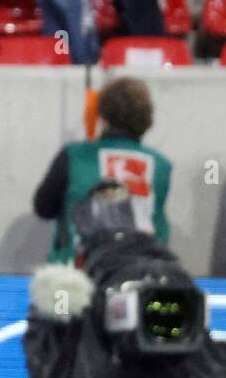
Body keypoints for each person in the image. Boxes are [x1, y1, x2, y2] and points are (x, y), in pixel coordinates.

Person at [33, 76, 172, 263]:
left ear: (102, 117)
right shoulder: (161, 165)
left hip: (77, 274)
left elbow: (44, 208)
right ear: (147, 119)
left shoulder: (73, 155)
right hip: (146, 272)